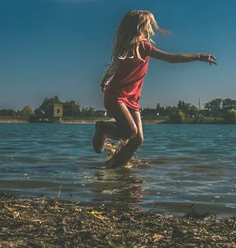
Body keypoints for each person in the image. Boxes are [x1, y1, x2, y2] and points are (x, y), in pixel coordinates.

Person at [92, 10, 216, 168]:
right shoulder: (142, 46)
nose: (151, 28)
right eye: (149, 25)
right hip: (116, 96)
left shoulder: (132, 47)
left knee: (137, 140)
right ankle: (102, 128)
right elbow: (171, 58)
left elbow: (115, 66)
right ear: (140, 27)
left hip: (132, 99)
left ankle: (115, 167)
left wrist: (105, 79)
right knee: (130, 131)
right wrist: (198, 56)